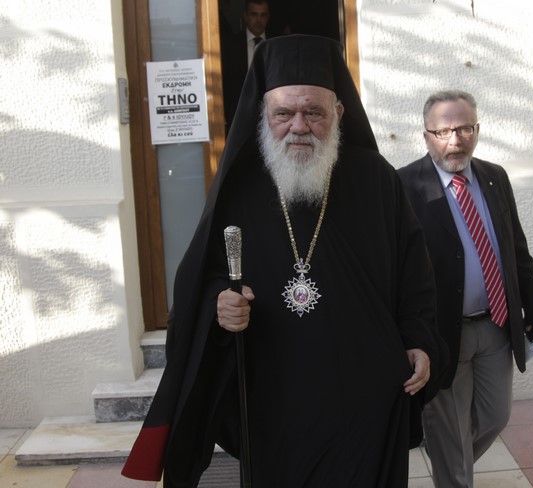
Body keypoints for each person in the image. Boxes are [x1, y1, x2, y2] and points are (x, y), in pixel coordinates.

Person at [122, 35, 447, 488]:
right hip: (273, 399)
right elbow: (206, 275)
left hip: (367, 397)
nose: (299, 126)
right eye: (283, 113)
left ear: (338, 113)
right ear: (263, 114)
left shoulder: (376, 179)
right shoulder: (239, 188)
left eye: (314, 112)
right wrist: (221, 302)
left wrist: (419, 338)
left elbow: (415, 274)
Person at [398, 90, 533, 488]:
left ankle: (449, 457)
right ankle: (452, 469)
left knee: (495, 415)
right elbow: (395, 269)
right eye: (444, 130)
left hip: (495, 325)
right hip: (441, 332)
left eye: (465, 128)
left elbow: (515, 247)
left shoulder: (494, 177)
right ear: (427, 135)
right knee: (450, 435)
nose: (456, 139)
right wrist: (409, 335)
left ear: (477, 130)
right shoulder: (404, 185)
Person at [220, 0, 271, 135]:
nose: (258, 20)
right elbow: (223, 81)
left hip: (271, 117)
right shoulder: (230, 45)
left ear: (268, 17)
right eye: (254, 14)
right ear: (245, 16)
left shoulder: (276, 44)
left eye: (263, 15)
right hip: (237, 117)